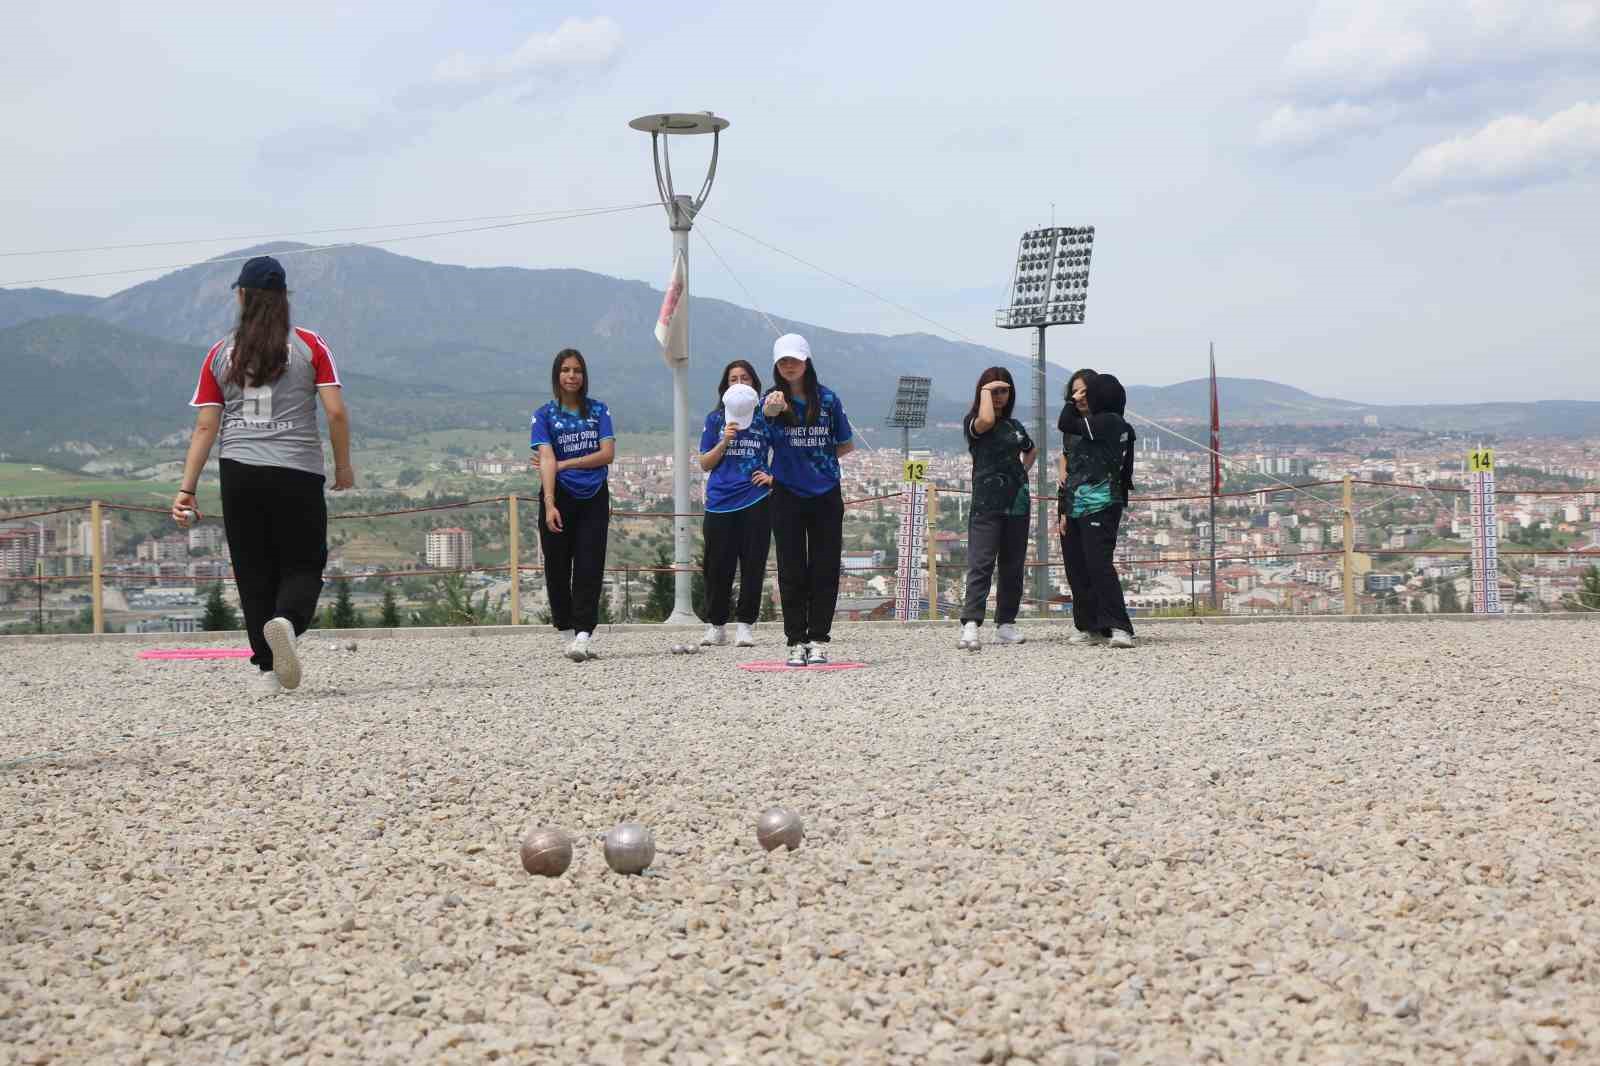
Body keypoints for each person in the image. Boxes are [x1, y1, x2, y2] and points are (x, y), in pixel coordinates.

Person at [172, 255, 354, 695]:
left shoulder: (220, 353)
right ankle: (287, 622)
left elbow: (205, 427)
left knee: (253, 570)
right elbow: (335, 412)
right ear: (284, 297)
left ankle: (268, 672)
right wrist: (343, 466)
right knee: (304, 562)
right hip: (297, 471)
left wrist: (186, 489)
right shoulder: (310, 345)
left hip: (239, 472)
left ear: (241, 296)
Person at [761, 333, 854, 667]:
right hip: (786, 492)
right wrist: (770, 414)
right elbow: (761, 439)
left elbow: (845, 443)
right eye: (783, 361)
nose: (789, 366)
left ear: (806, 361)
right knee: (790, 568)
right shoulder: (770, 401)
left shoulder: (828, 400)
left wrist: (817, 462)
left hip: (825, 493)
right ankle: (795, 639)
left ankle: (818, 639)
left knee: (825, 566)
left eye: (794, 360)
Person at [531, 348, 615, 662]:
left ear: (584, 375)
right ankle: (566, 631)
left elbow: (607, 453)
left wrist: (567, 463)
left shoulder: (599, 410)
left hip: (594, 494)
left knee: (589, 565)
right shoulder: (544, 415)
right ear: (557, 375)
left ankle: (583, 634)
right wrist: (550, 503)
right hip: (558, 495)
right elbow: (546, 458)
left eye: (577, 370)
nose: (571, 375)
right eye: (565, 370)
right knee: (556, 565)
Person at [958, 367, 1037, 650]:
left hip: (1018, 503)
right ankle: (971, 623)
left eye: (1004, 390)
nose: (999, 396)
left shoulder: (1015, 426)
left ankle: (1005, 624)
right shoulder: (974, 422)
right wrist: (986, 392)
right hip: (986, 504)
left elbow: (1031, 449)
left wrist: (1022, 473)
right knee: (981, 563)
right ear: (982, 392)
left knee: (1013, 566)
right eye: (993, 390)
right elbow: (987, 419)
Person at [1057, 372, 1137, 648]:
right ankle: (1089, 626)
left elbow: (1064, 421)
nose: (1080, 397)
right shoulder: (1081, 429)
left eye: (1085, 392)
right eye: (1076, 392)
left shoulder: (1109, 422)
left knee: (1098, 565)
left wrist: (1070, 401)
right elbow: (1069, 474)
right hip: (1075, 505)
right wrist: (1062, 509)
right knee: (1077, 568)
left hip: (1101, 504)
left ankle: (1119, 626)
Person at [698, 360, 775, 648]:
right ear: (725, 385)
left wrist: (773, 477)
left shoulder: (765, 418)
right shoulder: (715, 419)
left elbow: (783, 451)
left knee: (753, 564)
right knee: (717, 566)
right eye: (733, 379)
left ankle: (745, 625)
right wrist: (724, 442)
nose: (740, 383)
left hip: (755, 498)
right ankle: (716, 625)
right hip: (720, 501)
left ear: (755, 384)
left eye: (745, 378)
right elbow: (705, 462)